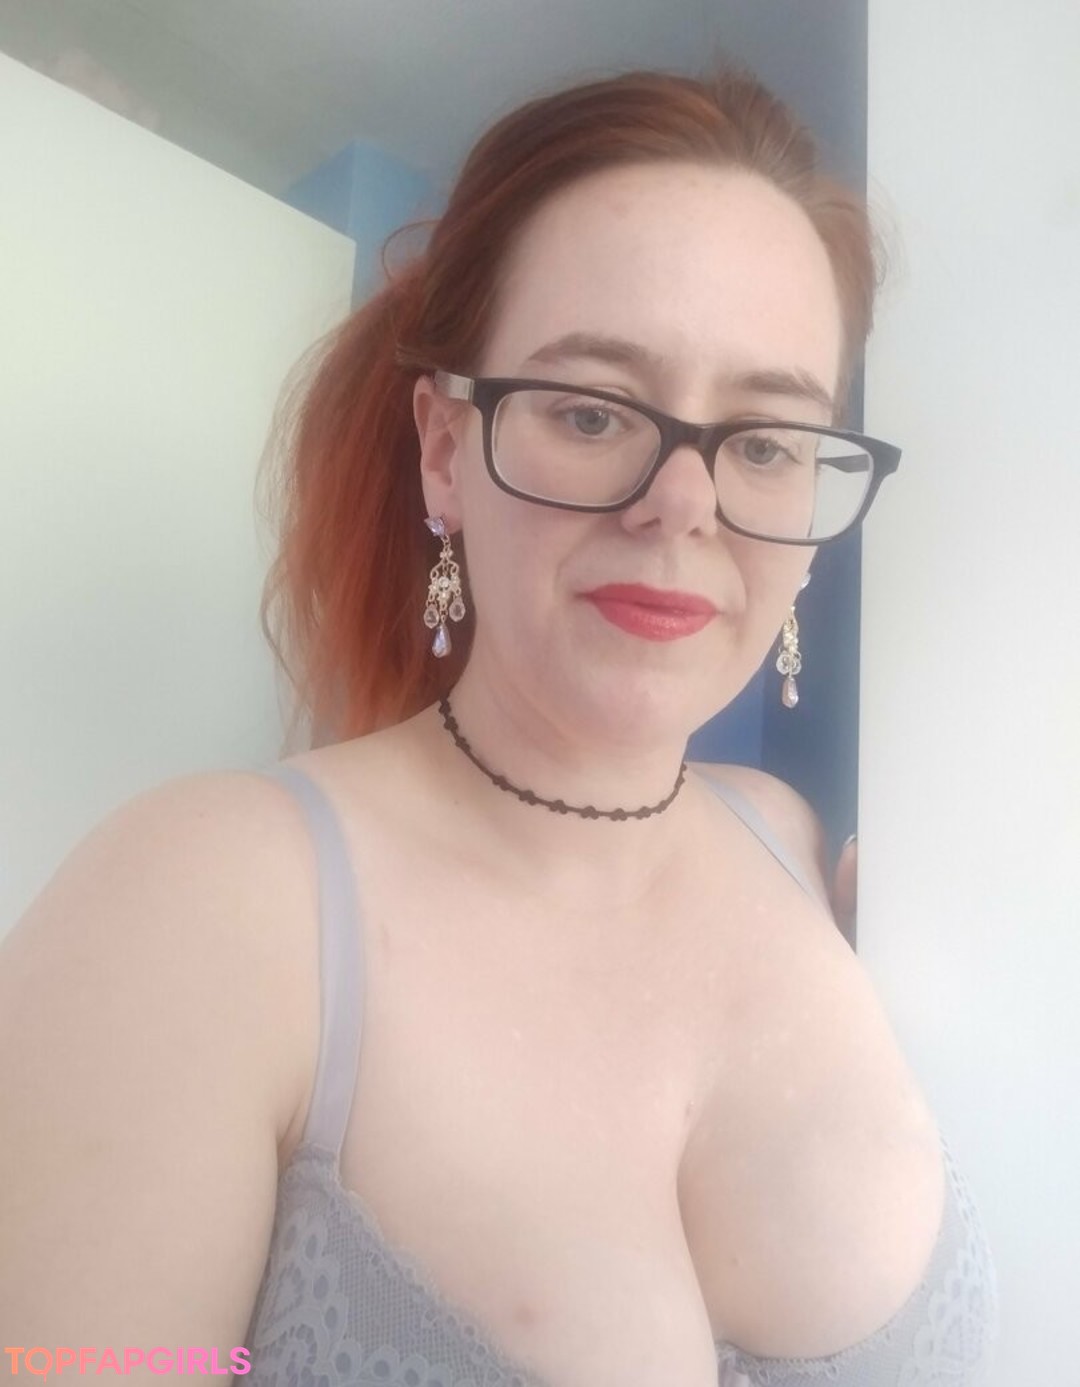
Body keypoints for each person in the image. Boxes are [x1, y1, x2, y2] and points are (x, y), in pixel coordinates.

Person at [0, 65, 997, 1387]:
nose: (686, 504)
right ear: (444, 450)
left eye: (767, 440)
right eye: (590, 410)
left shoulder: (799, 851)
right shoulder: (205, 902)